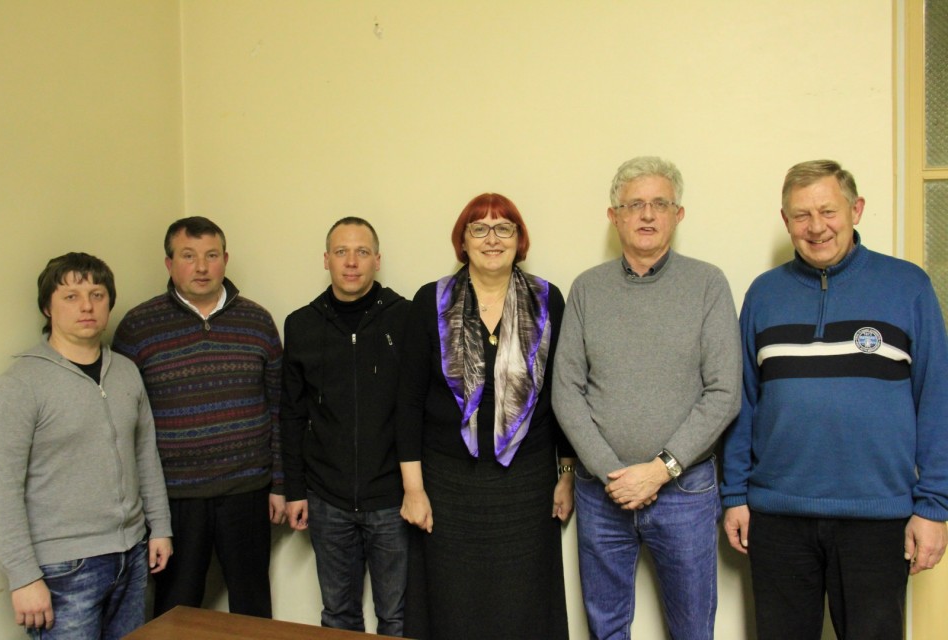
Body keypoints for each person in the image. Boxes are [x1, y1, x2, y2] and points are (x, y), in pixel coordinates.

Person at [721, 159, 948, 640]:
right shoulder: (763, 294)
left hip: (877, 516)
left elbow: (938, 400)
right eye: (801, 215)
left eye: (828, 211)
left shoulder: (908, 287)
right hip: (777, 516)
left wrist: (934, 506)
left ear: (856, 210)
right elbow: (742, 400)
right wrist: (735, 495)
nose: (816, 226)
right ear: (786, 221)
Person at [552, 156, 742, 640]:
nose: (648, 214)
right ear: (613, 216)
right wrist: (612, 474)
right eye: (634, 204)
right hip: (602, 493)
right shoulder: (587, 289)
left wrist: (659, 471)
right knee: (606, 628)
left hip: (685, 492)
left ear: (679, 214)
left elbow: (724, 393)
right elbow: (566, 391)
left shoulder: (708, 284)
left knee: (692, 628)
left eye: (660, 203)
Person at [396, 193, 576, 640]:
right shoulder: (431, 300)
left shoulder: (547, 299)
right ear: (463, 240)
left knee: (523, 603)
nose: (492, 239)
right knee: (453, 603)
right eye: (479, 228)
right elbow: (408, 402)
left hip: (526, 484)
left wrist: (567, 475)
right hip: (448, 485)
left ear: (519, 239)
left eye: (503, 228)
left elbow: (562, 395)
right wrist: (413, 489)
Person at [0, 252, 172, 639]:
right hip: (63, 569)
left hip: (132, 555)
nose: (86, 306)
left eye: (97, 294)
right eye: (71, 296)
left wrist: (160, 528)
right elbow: (0, 489)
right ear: (47, 307)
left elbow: (145, 457)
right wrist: (23, 577)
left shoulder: (126, 371)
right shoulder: (21, 384)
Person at [112, 216, 284, 618]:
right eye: (188, 256)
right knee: (176, 606)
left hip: (247, 489)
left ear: (226, 259)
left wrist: (280, 483)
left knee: (252, 606)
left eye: (211, 255)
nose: (202, 267)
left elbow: (278, 409)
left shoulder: (257, 321)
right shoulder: (138, 327)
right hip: (175, 498)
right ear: (169, 263)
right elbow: (124, 423)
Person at [280, 217, 410, 635]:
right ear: (326, 260)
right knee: (338, 616)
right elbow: (291, 415)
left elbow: (419, 409)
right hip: (326, 498)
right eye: (341, 252)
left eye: (361, 252)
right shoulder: (301, 325)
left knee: (398, 617)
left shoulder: (405, 318)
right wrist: (295, 490)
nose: (351, 262)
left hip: (392, 498)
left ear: (377, 260)